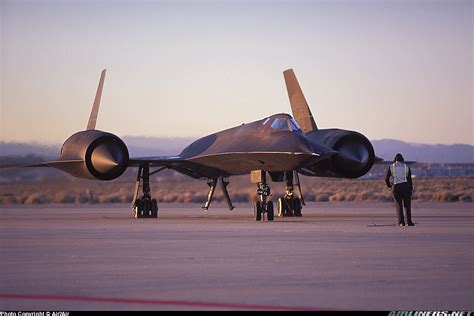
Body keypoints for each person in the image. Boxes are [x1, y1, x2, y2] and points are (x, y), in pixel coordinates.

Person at [385, 153, 415, 227]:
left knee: (399, 205)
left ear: (395, 160)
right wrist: (411, 189)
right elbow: (409, 180)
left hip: (396, 187)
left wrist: (389, 186)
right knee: (407, 205)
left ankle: (401, 222)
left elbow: (386, 178)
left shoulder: (391, 167)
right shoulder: (406, 167)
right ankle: (409, 222)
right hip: (406, 187)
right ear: (403, 159)